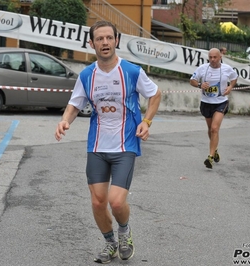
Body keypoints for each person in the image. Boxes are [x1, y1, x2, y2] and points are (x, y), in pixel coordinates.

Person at [54, 20, 161, 264]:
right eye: (99, 39)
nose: (105, 42)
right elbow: (75, 103)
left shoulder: (132, 71)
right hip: (97, 146)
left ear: (116, 41)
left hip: (125, 145)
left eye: (109, 38)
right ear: (91, 44)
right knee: (97, 202)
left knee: (116, 201)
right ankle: (110, 242)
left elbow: (155, 94)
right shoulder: (87, 75)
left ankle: (124, 232)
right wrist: (64, 120)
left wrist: (147, 121)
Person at [190, 48, 238, 169]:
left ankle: (210, 157)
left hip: (221, 102)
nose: (212, 60)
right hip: (206, 102)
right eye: (210, 57)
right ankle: (215, 149)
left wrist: (230, 87)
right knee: (210, 129)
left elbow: (234, 78)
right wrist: (200, 85)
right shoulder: (203, 68)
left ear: (220, 57)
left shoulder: (227, 69)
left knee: (215, 128)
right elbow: (192, 80)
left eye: (214, 57)